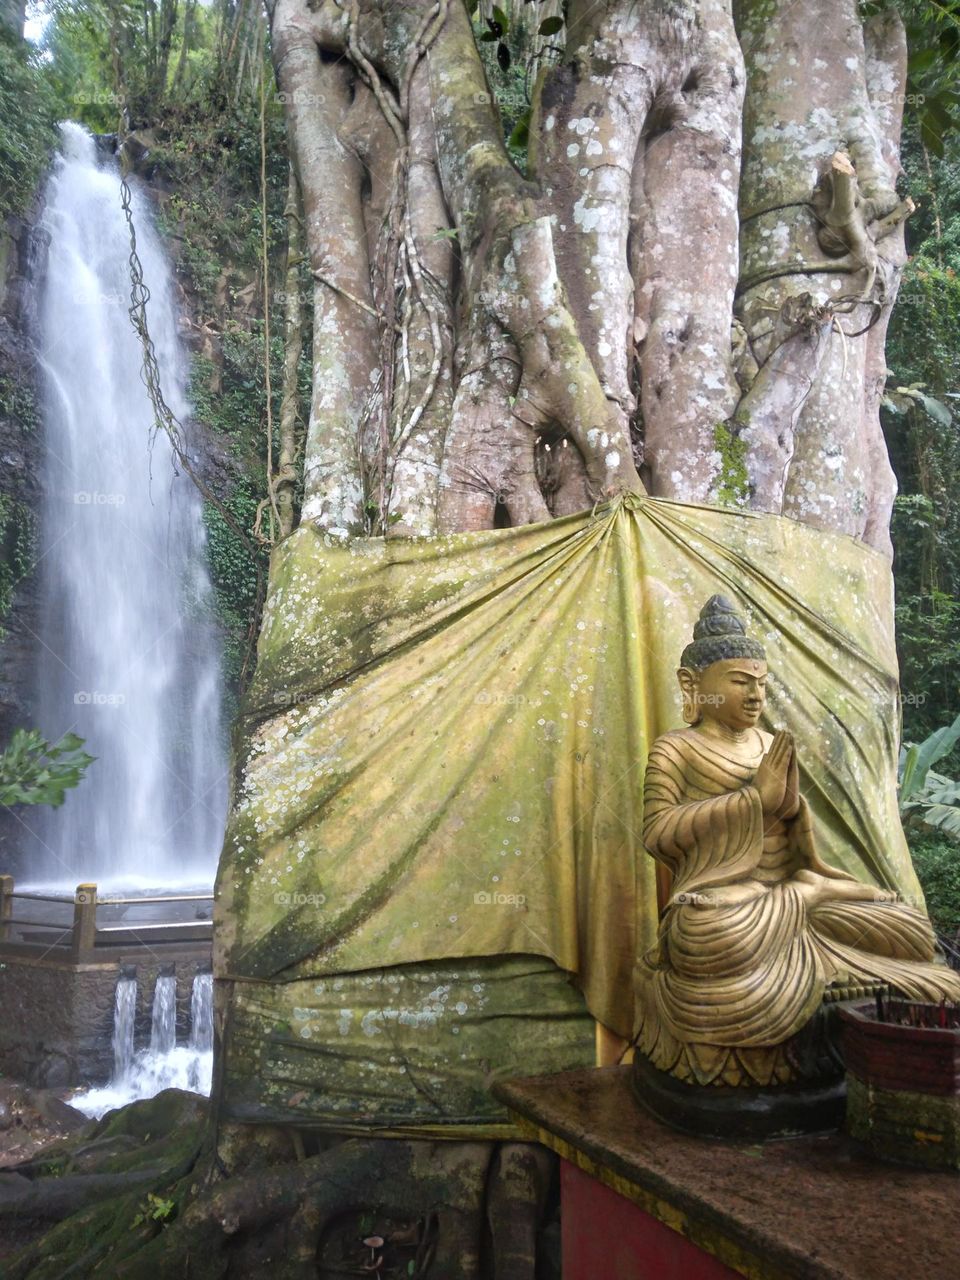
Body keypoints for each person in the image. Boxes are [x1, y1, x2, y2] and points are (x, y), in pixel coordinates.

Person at [634, 595, 960, 1088]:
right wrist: (752, 802)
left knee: (910, 928)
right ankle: (810, 895)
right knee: (706, 935)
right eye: (740, 682)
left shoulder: (769, 744)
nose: (755, 696)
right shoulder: (676, 748)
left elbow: (793, 832)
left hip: (785, 894)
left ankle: (812, 896)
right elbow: (657, 833)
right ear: (693, 684)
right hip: (724, 904)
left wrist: (786, 808)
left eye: (762, 684)